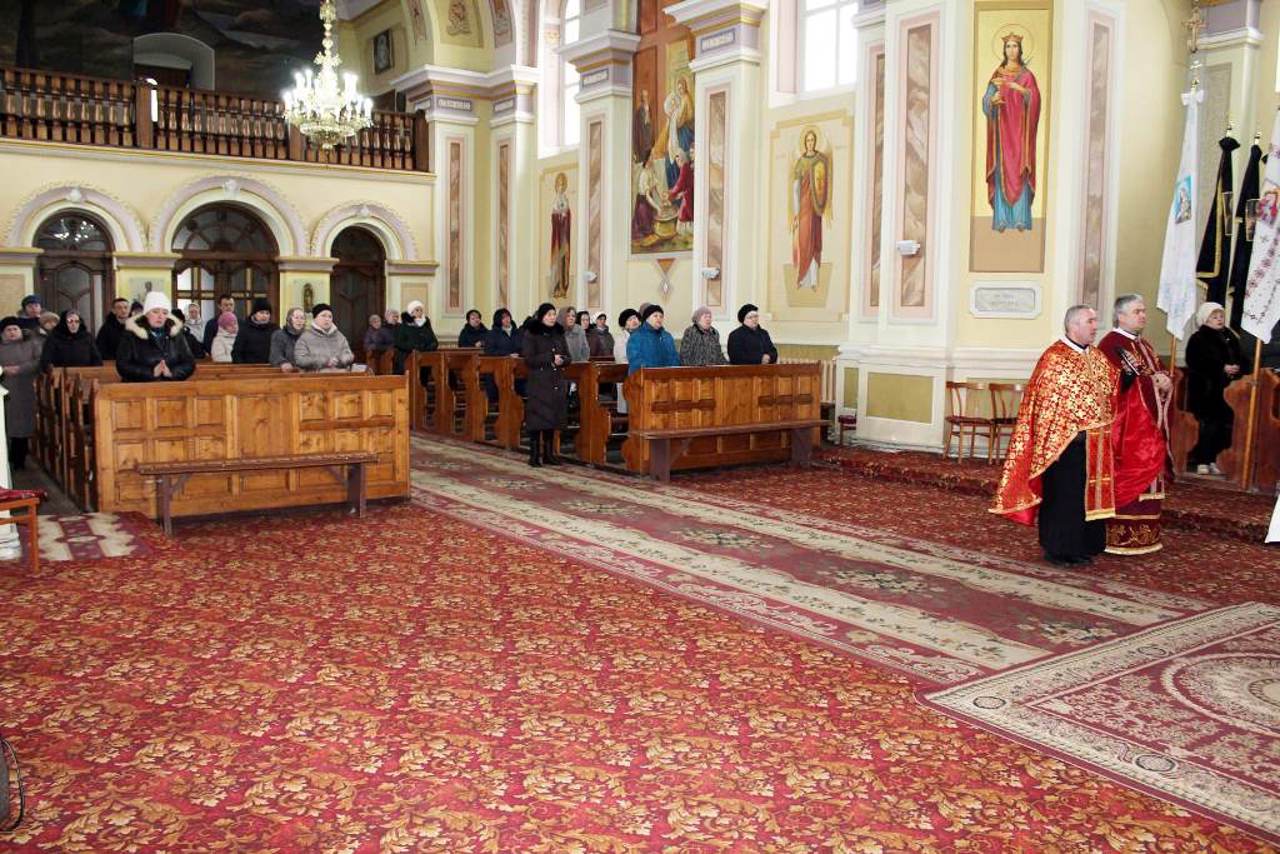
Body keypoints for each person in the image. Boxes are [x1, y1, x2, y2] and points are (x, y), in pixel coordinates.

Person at [993, 305, 1154, 567]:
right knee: (1064, 499)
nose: (1094, 327)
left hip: (1095, 445)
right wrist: (1056, 440)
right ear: (1073, 325)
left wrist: (1126, 376)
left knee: (1085, 497)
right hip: (1064, 445)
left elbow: (1110, 391)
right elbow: (1045, 404)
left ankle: (1083, 546)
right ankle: (1058, 549)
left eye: (1095, 321)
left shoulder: (1097, 357)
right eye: (1090, 321)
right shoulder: (1054, 358)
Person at [1097, 294, 1171, 555]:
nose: (1143, 315)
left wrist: (1164, 379)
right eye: (1137, 311)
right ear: (1121, 316)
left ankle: (1146, 536)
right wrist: (1154, 382)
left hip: (1150, 430)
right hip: (1127, 430)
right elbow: (1114, 387)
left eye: (1144, 310)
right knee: (1128, 476)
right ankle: (1119, 538)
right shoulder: (1111, 345)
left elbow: (1157, 372)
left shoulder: (1144, 345)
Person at [1185, 301, 1246, 475]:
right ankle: (1202, 460)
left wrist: (1236, 367)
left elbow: (1241, 357)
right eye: (1215, 317)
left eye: (1221, 316)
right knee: (1207, 425)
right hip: (1206, 389)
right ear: (1205, 319)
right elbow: (1196, 361)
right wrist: (1221, 367)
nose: (1219, 320)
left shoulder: (1229, 335)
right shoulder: (1198, 338)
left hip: (1228, 389)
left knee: (1223, 425)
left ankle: (1215, 459)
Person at [521, 303, 572, 467]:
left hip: (555, 380)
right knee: (537, 419)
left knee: (552, 418)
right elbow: (529, 359)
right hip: (539, 381)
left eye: (553, 314)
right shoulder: (532, 333)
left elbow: (568, 356)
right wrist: (550, 356)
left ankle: (549, 454)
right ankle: (534, 455)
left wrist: (562, 360)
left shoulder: (558, 332)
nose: (552, 317)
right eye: (549, 314)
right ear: (542, 316)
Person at [114, 291, 196, 383]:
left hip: (170, 388)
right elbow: (122, 365)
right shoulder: (132, 334)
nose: (160, 316)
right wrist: (150, 373)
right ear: (146, 314)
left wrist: (171, 373)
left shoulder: (175, 333)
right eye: (155, 312)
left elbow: (189, 363)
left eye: (165, 313)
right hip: (138, 390)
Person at [0, 316, 44, 469]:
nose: (12, 332)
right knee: (5, 424)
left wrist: (20, 368)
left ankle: (19, 460)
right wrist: (3, 370)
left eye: (15, 329)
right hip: (4, 389)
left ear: (21, 331)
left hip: (25, 388)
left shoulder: (31, 343)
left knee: (22, 425)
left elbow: (39, 360)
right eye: (8, 330)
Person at [294, 304, 355, 372]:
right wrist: (325, 361)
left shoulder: (339, 336)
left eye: (330, 316)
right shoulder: (305, 337)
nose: (327, 319)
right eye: (323, 316)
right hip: (316, 378)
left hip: (340, 376)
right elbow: (300, 360)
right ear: (315, 318)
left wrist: (340, 360)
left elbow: (349, 355)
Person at [626, 304, 679, 374]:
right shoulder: (636, 336)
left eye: (661, 316)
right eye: (655, 316)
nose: (659, 318)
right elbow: (635, 361)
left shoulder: (667, 336)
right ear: (647, 318)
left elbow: (674, 357)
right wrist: (654, 372)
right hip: (644, 379)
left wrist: (671, 372)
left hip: (666, 379)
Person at [394, 299, 439, 374]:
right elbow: (399, 342)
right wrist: (414, 348)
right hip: (408, 356)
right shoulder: (404, 326)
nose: (420, 312)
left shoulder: (426, 325)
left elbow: (434, 341)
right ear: (411, 312)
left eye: (421, 310)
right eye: (417, 310)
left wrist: (428, 348)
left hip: (425, 356)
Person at [231, 298, 275, 364]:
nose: (264, 316)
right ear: (254, 313)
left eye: (267, 313)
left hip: (271, 368)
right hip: (249, 368)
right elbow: (237, 352)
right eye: (261, 312)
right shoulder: (245, 329)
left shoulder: (274, 329)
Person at [613, 308, 640, 413]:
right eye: (629, 319)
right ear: (624, 324)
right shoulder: (621, 339)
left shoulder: (643, 337)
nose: (634, 321)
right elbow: (621, 358)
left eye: (635, 318)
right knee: (627, 407)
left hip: (641, 375)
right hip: (627, 376)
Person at [271, 307, 307, 372]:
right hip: (286, 373)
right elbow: (275, 354)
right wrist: (283, 362)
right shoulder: (279, 335)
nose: (299, 320)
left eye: (302, 318)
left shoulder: (308, 336)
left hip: (305, 372)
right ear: (289, 320)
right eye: (296, 318)